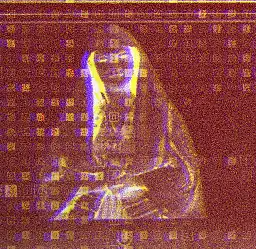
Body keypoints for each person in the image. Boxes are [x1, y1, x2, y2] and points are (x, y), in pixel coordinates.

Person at [38, 24, 204, 221]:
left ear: (136, 61)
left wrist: (136, 182)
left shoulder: (162, 116)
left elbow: (186, 177)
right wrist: (92, 181)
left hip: (148, 215)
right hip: (87, 213)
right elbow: (55, 174)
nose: (113, 67)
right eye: (103, 60)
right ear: (92, 66)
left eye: (122, 58)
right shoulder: (76, 120)